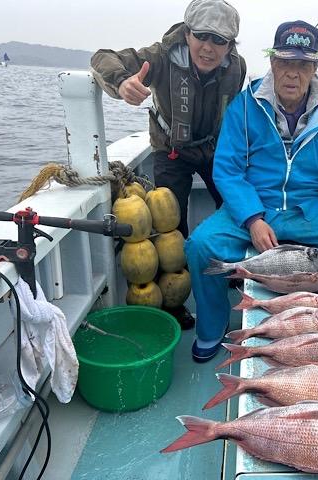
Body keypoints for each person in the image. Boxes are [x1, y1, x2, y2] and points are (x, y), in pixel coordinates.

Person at [185, 20, 318, 362]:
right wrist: (252, 218)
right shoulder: (245, 106)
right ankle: (212, 328)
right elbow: (229, 170)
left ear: (315, 68)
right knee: (201, 246)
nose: (292, 73)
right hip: (255, 204)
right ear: (272, 62)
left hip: (312, 209)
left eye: (303, 64)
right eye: (285, 62)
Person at [90, 0, 246, 330]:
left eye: (219, 40)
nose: (209, 47)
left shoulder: (237, 67)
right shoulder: (160, 56)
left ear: (230, 45)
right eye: (201, 36)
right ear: (187, 33)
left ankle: (235, 269)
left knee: (236, 206)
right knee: (169, 227)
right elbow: (103, 57)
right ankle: (174, 302)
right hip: (171, 149)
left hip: (215, 149)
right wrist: (122, 82)